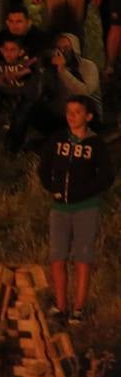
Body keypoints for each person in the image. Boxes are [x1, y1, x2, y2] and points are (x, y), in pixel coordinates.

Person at [38, 96, 113, 324]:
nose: (72, 116)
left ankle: (78, 309)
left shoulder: (95, 144)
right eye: (69, 112)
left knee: (82, 257)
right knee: (57, 257)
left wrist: (83, 193)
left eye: (78, 112)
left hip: (85, 208)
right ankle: (61, 306)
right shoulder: (58, 140)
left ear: (88, 116)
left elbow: (106, 176)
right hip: (59, 207)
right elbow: (44, 168)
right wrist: (53, 188)